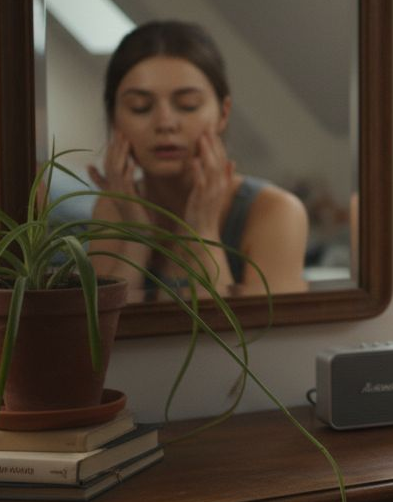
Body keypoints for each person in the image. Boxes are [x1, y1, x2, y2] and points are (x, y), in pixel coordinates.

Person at [88, 20, 308, 298]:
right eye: (140, 107)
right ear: (114, 118)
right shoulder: (113, 208)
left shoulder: (277, 212)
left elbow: (243, 339)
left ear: (224, 113)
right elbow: (106, 336)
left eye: (188, 105)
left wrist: (202, 231)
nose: (165, 123)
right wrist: (137, 239)